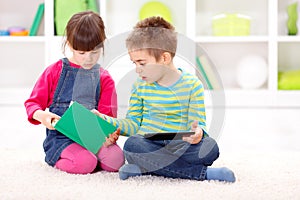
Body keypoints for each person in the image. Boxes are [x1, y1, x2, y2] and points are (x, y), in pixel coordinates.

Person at [92, 16, 235, 182]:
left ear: (165, 58)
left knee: (210, 147)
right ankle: (203, 174)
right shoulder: (140, 86)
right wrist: (105, 120)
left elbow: (198, 123)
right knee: (132, 145)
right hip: (150, 145)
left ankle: (145, 168)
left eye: (142, 63)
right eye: (134, 64)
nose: (138, 69)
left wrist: (198, 133)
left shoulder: (192, 85)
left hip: (181, 146)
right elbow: (132, 124)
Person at [24, 11, 124, 174]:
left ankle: (90, 156)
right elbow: (32, 104)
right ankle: (63, 159)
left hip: (93, 138)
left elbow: (109, 119)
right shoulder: (54, 72)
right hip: (61, 139)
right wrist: (42, 116)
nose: (89, 59)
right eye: (82, 53)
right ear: (69, 44)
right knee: (86, 163)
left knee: (117, 160)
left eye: (94, 52)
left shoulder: (104, 78)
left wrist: (110, 136)